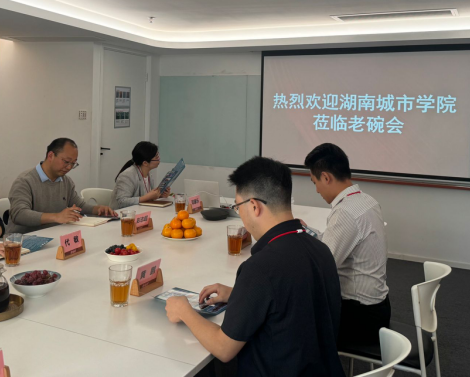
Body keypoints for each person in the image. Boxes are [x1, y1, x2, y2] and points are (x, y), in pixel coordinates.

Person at [164, 156, 345, 377]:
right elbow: (294, 299)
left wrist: (184, 311)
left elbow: (223, 348)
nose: (239, 214)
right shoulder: (320, 249)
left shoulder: (260, 268)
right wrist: (239, 294)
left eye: (237, 206)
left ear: (253, 206)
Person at [303, 142, 390, 347]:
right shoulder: (366, 200)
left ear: (326, 177)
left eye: (315, 182)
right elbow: (334, 243)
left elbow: (323, 268)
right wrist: (310, 233)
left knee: (292, 318)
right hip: (377, 307)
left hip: (361, 317)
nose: (317, 190)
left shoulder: (345, 212)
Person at [7, 137, 115, 234]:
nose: (69, 167)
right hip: (22, 241)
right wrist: (56, 216)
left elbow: (79, 205)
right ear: (50, 156)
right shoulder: (25, 180)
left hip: (54, 234)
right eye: (66, 161)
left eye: (73, 163)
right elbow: (19, 214)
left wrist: (97, 209)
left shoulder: (66, 181)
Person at [110, 141, 170, 209]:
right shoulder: (127, 175)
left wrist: (159, 195)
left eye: (158, 155)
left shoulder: (149, 174)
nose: (159, 160)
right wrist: (147, 197)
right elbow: (122, 202)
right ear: (145, 163)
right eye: (156, 157)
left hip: (140, 211)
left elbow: (146, 197)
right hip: (122, 213)